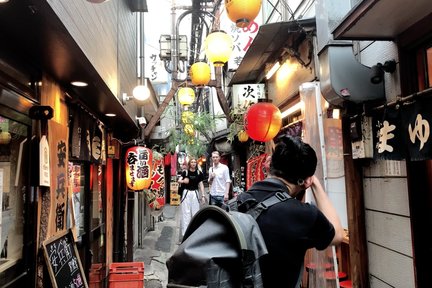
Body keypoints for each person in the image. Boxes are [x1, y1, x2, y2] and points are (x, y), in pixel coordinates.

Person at [238, 135, 344, 287]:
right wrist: (316, 185)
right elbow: (337, 236)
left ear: (269, 165)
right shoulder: (303, 215)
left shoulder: (238, 202)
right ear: (306, 181)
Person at [178, 158, 205, 237]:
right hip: (186, 192)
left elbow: (201, 184)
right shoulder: (185, 172)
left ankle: (194, 234)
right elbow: (179, 180)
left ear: (196, 164)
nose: (193, 163)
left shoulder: (199, 173)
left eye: (195, 162)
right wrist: (183, 181)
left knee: (195, 213)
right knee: (186, 213)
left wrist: (203, 195)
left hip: (195, 193)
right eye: (192, 162)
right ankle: (185, 234)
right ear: (189, 164)